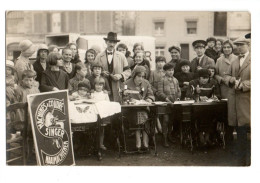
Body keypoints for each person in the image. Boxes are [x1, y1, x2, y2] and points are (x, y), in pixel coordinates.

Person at [224, 36, 250, 165]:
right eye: (237, 45)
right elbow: (226, 75)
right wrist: (231, 80)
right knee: (240, 132)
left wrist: (244, 85)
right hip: (236, 102)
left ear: (248, 45)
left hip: (249, 102)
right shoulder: (235, 61)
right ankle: (242, 161)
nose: (238, 47)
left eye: (241, 45)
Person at [123, 66, 155, 151]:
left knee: (143, 114)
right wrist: (129, 99)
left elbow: (150, 94)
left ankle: (142, 140)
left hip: (144, 107)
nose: (141, 78)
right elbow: (124, 97)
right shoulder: (127, 83)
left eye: (143, 76)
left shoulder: (146, 83)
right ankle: (140, 140)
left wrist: (149, 99)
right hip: (131, 109)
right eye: (139, 76)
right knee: (140, 115)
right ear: (134, 75)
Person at [186, 69, 220, 146]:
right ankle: (200, 135)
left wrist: (215, 97)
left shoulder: (212, 83)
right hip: (196, 109)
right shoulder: (192, 83)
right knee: (200, 116)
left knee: (212, 116)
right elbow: (188, 95)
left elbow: (218, 94)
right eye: (203, 78)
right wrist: (197, 95)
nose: (205, 80)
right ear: (199, 78)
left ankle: (207, 136)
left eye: (207, 78)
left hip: (209, 107)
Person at [94, 32, 131, 102]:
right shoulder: (99, 56)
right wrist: (101, 73)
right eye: (110, 42)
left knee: (116, 106)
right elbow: (93, 70)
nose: (112, 44)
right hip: (103, 87)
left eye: (114, 42)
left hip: (117, 86)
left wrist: (120, 75)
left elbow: (128, 71)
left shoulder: (121, 56)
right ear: (106, 42)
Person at [157, 63, 181, 147]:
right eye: (169, 70)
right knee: (165, 121)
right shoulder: (162, 80)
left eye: (172, 70)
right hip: (166, 104)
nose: (171, 72)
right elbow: (159, 92)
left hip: (174, 103)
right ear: (165, 71)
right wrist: (166, 99)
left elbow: (178, 91)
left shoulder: (175, 80)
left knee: (171, 121)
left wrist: (178, 98)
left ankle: (170, 136)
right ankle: (164, 138)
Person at [91, 77, 110, 150]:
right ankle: (94, 145)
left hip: (102, 114)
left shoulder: (105, 94)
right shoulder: (92, 93)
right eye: (97, 85)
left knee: (101, 130)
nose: (98, 86)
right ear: (94, 85)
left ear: (103, 86)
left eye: (100, 85)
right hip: (94, 114)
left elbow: (108, 103)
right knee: (94, 130)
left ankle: (101, 144)